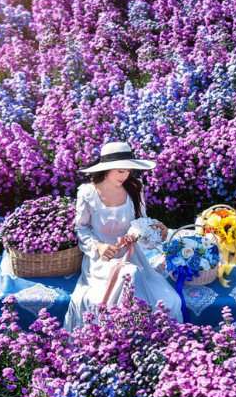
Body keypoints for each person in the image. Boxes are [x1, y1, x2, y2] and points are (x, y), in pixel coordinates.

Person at [64, 141, 184, 331]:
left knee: (145, 281)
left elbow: (141, 220)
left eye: (128, 170)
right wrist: (98, 246)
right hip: (103, 257)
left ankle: (139, 331)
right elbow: (81, 228)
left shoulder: (135, 188)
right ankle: (117, 332)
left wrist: (156, 226)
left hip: (131, 253)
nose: (125, 175)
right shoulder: (88, 193)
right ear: (107, 169)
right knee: (129, 274)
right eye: (120, 171)